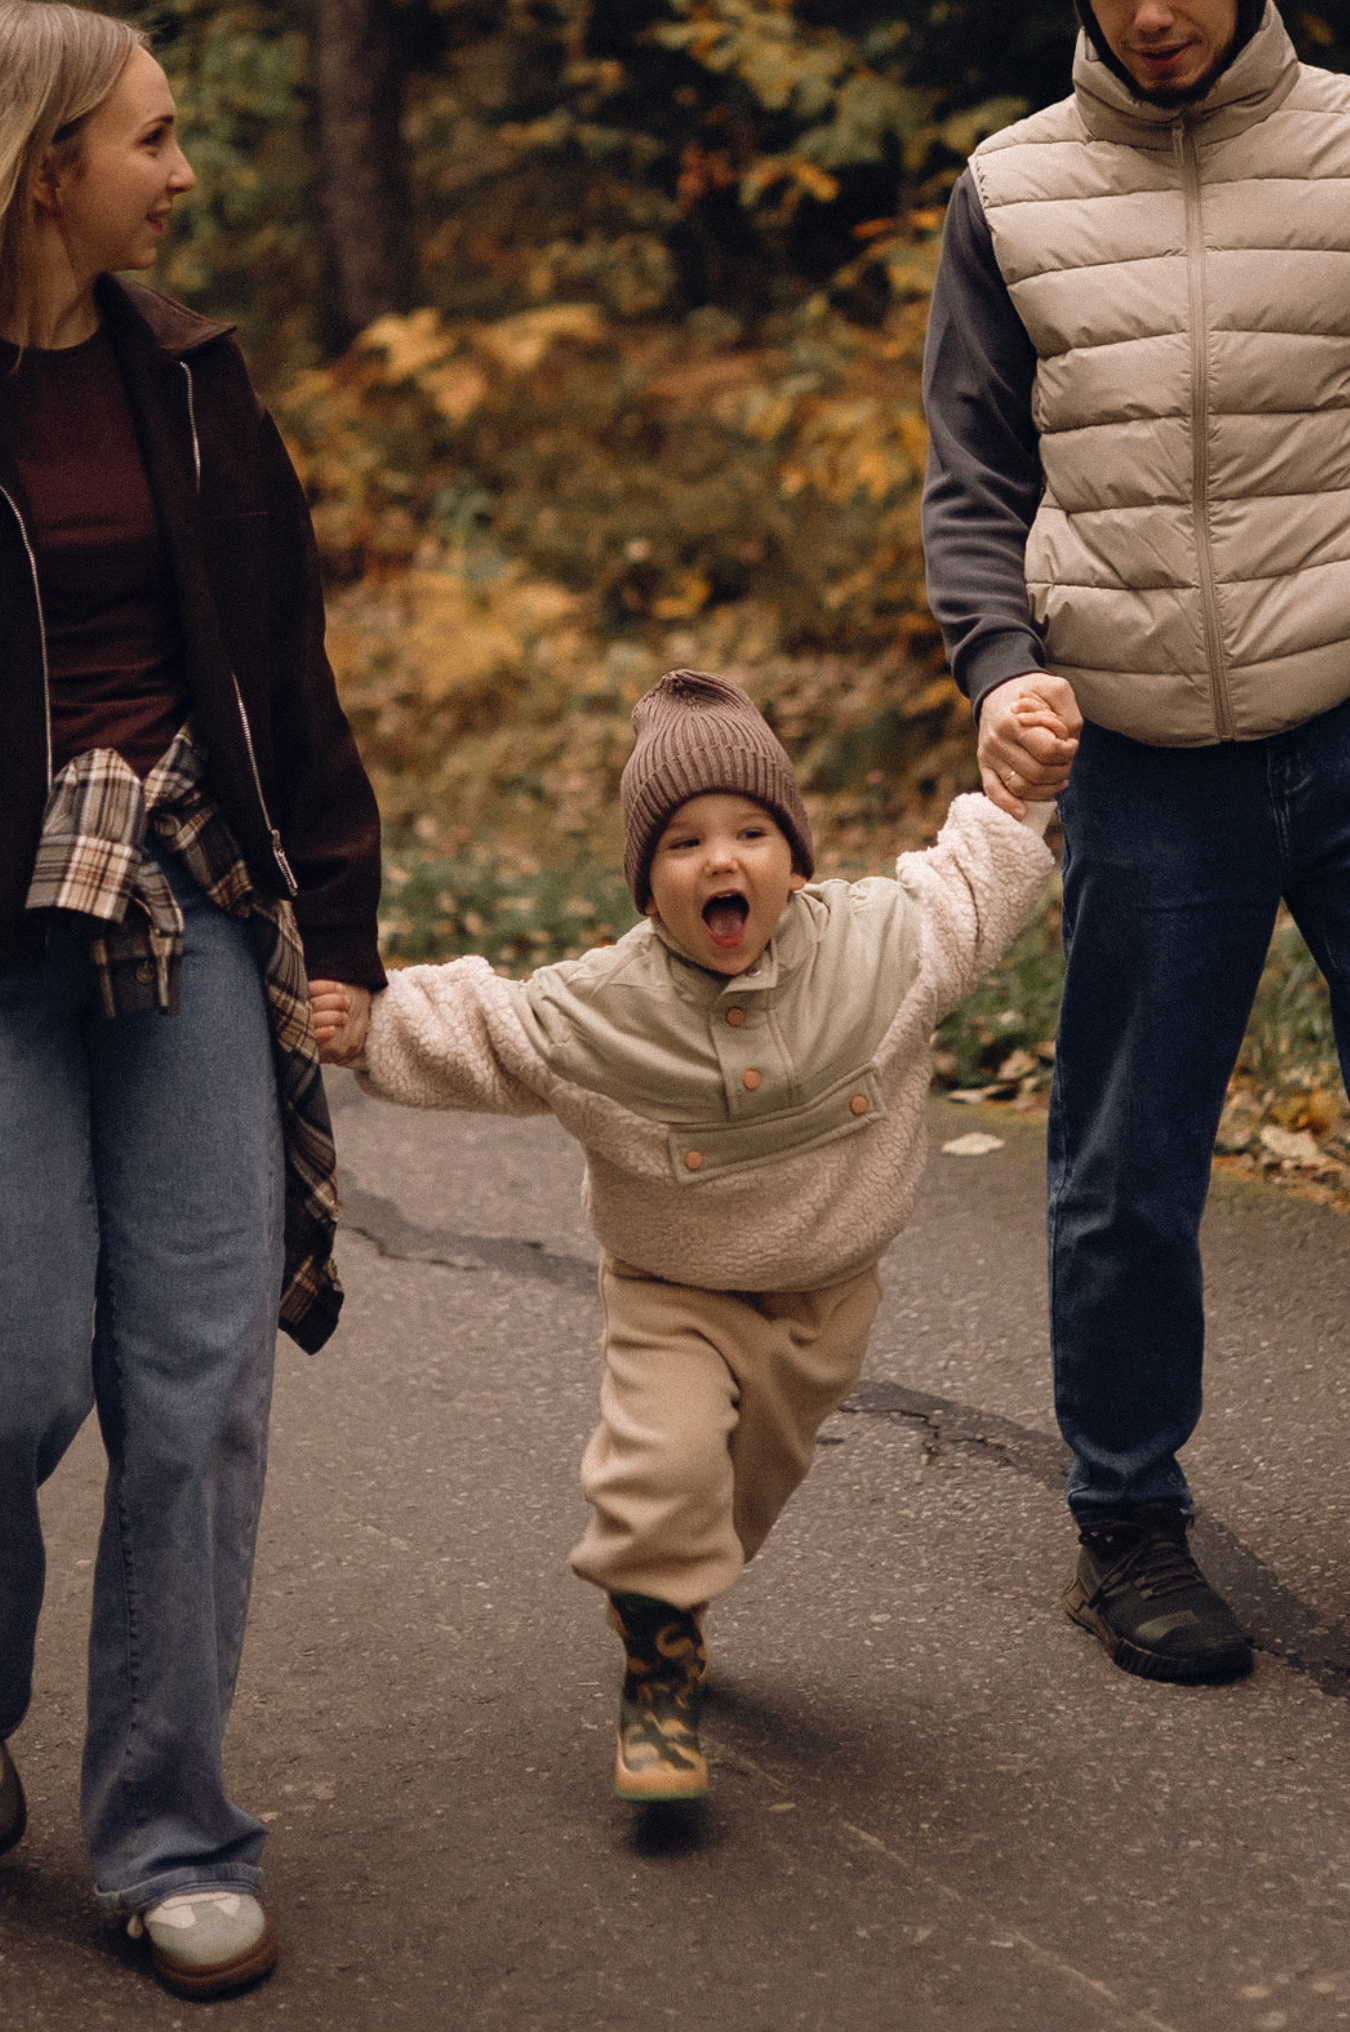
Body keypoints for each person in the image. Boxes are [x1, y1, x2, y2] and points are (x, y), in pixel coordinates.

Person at [311, 669, 1055, 1803]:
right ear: (646, 889)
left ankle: (679, 1590)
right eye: (683, 843)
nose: (723, 859)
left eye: (753, 831)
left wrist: (1014, 789)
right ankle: (657, 1666)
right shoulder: (602, 1010)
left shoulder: (880, 951)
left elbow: (973, 887)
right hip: (674, 1290)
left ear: (794, 859)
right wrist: (371, 1022)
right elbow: (487, 1026)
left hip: (828, 1298)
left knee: (738, 1499)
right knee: (664, 1475)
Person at [0, 3, 383, 2000]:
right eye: (149, 139)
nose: (183, 168)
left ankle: (167, 1825)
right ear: (42, 162)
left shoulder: (198, 381)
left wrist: (348, 926)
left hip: (190, 908)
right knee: (10, 1364)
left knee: (199, 1380)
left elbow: (284, 675)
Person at [921, 0, 1350, 1684]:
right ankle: (1126, 1523)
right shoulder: (1012, 191)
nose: (1155, 13)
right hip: (1142, 756)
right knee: (1125, 1169)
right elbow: (971, 473)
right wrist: (1001, 671)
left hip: (1345, 709)